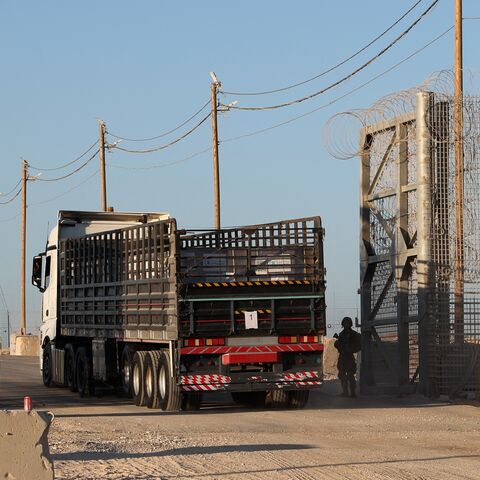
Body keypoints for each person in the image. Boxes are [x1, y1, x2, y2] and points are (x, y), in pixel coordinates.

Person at [334, 317, 361, 397]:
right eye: (345, 323)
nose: (346, 324)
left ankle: (353, 392)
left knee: (350, 375)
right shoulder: (341, 334)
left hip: (349, 357)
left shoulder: (354, 334)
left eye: (348, 323)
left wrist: (351, 349)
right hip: (342, 357)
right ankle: (345, 392)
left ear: (350, 324)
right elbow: (338, 345)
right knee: (342, 375)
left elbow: (359, 344)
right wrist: (337, 343)